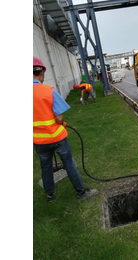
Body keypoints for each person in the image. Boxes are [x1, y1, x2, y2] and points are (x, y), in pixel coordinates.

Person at [33, 56, 98, 202]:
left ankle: (50, 196)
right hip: (57, 138)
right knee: (69, 163)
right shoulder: (48, 91)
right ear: (41, 73)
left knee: (46, 167)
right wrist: (61, 122)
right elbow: (59, 118)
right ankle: (82, 192)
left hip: (38, 141)